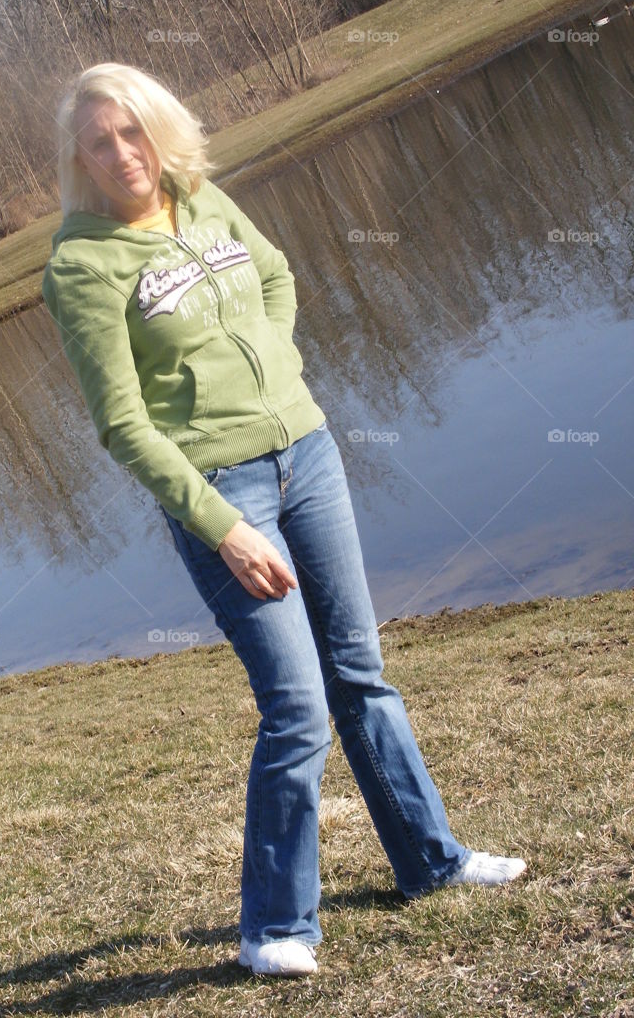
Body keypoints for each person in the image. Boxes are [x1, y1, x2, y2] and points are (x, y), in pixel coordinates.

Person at [41, 62, 526, 978]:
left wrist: (276, 371)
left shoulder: (204, 201)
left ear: (160, 127)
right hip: (223, 494)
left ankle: (433, 862)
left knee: (360, 673)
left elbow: (276, 275)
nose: (122, 153)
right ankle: (274, 927)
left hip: (308, 455)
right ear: (79, 157)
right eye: (100, 141)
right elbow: (122, 425)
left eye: (133, 130)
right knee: (297, 705)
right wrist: (222, 524)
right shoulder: (82, 264)